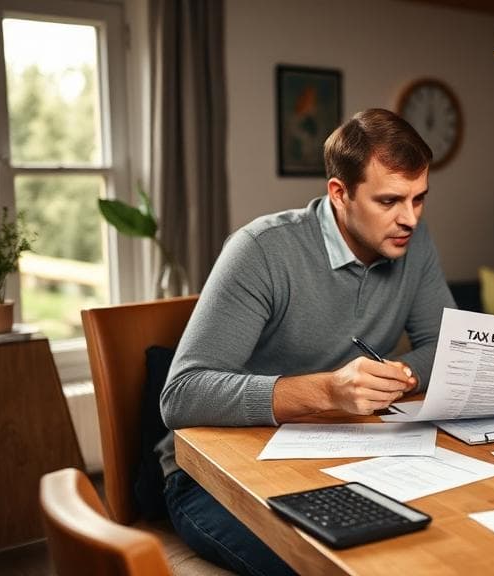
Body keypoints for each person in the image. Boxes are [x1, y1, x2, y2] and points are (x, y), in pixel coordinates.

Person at [156, 108, 455, 575]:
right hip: (214, 475)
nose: (410, 219)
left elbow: (448, 346)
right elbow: (181, 395)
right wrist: (328, 390)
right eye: (390, 201)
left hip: (341, 457)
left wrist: (399, 375)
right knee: (325, 568)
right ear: (339, 193)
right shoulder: (262, 249)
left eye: (419, 199)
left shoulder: (413, 242)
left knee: (436, 546)